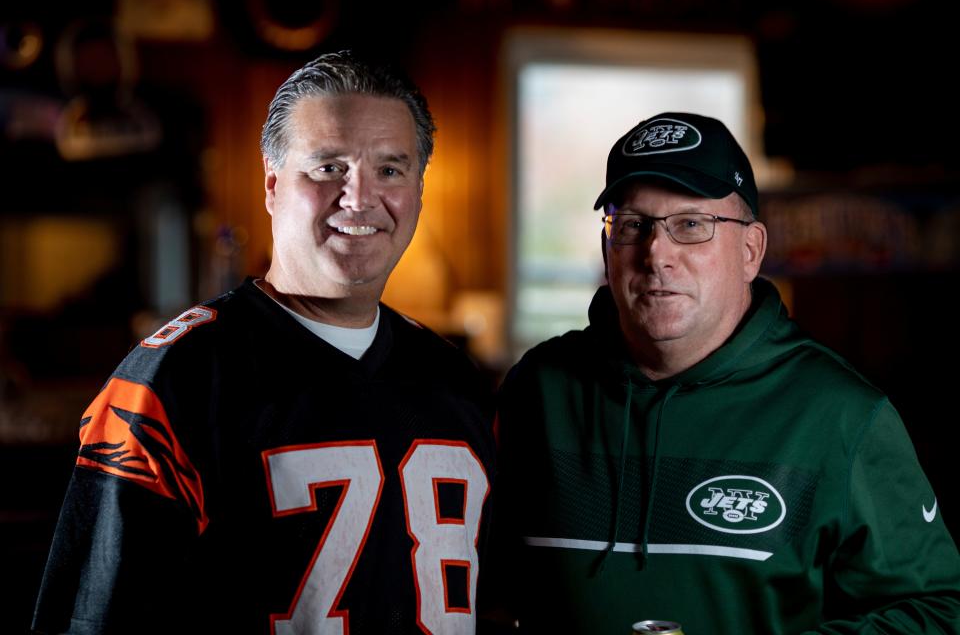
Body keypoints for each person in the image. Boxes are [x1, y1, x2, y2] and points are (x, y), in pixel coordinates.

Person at [33, 51, 496, 635]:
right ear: (273, 187)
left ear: (418, 192)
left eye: (390, 170)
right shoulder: (173, 383)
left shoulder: (456, 381)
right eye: (328, 168)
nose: (359, 197)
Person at [487, 112, 960, 633]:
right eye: (633, 225)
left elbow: (937, 610)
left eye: (691, 225)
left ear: (751, 251)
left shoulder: (840, 416)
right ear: (608, 247)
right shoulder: (538, 389)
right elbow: (483, 586)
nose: (657, 254)